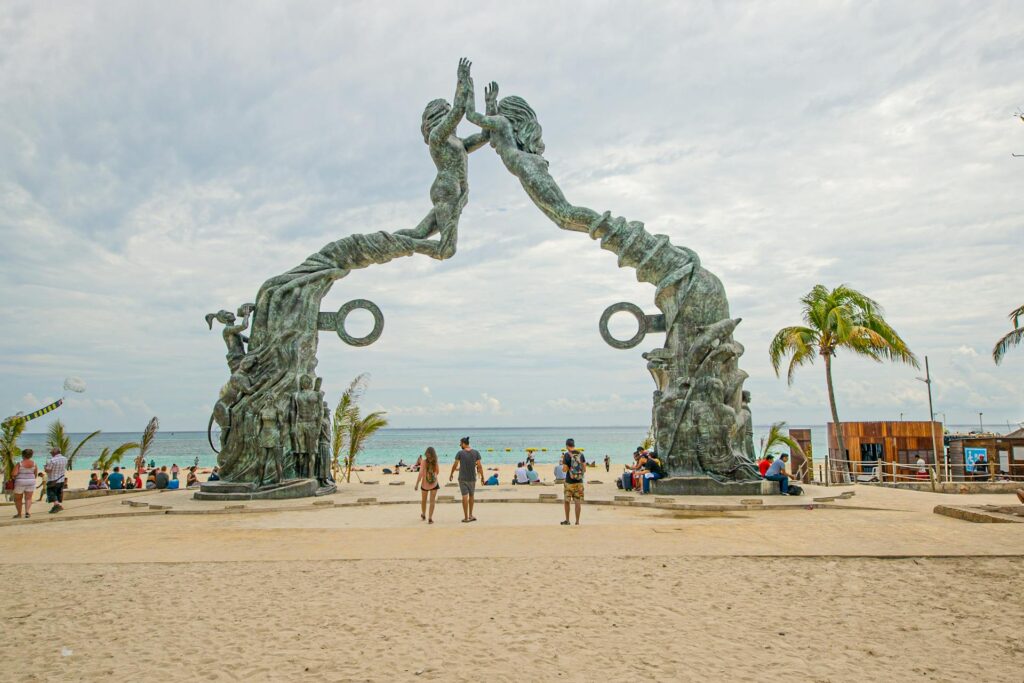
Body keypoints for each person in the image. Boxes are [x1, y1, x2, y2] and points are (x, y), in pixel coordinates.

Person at [395, 58, 492, 260]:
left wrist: (490, 106)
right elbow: (459, 110)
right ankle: (396, 245)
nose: (451, 118)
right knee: (446, 249)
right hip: (446, 189)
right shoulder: (437, 138)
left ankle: (385, 241)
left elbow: (485, 136)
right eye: (446, 112)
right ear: (439, 115)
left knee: (418, 233)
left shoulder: (459, 142)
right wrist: (462, 81)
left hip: (453, 193)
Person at [449, 436, 483, 523]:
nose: (460, 445)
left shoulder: (460, 453)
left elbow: (455, 464)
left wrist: (451, 473)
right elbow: (479, 466)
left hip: (462, 479)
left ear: (464, 444)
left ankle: (466, 517)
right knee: (471, 496)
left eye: (460, 443)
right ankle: (471, 515)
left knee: (464, 496)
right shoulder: (476, 452)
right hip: (472, 478)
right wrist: (483, 477)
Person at [561, 439, 586, 525]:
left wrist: (567, 467)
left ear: (567, 446)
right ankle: (577, 522)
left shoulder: (566, 455)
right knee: (577, 501)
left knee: (567, 501)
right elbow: (584, 469)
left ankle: (567, 520)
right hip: (579, 482)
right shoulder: (581, 455)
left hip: (569, 482)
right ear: (574, 445)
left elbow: (564, 470)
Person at [414, 447, 440, 524]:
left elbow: (421, 474)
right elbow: (437, 472)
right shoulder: (435, 462)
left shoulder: (423, 462)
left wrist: (417, 484)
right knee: (432, 501)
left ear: (426, 454)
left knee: (424, 500)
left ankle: (423, 514)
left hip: (424, 484)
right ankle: (430, 518)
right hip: (434, 484)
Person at [10, 448, 38, 518]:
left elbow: (14, 474)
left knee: (18, 499)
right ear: (31, 455)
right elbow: (35, 474)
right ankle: (27, 512)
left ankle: (19, 514)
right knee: (28, 498)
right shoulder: (34, 463)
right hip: (31, 482)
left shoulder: (19, 464)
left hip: (20, 482)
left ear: (23, 455)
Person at [44, 447, 68, 514]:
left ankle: (57, 505)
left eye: (51, 452)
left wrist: (45, 467)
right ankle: (56, 506)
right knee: (57, 493)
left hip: (53, 479)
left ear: (54, 453)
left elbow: (48, 470)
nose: (51, 453)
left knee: (51, 492)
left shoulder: (52, 460)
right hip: (61, 479)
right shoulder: (65, 459)